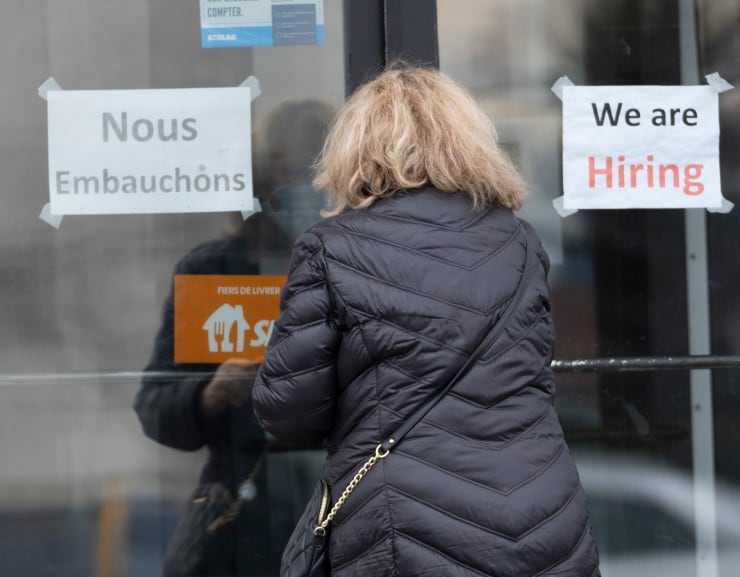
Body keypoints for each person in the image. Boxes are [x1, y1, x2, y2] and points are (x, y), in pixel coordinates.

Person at [252, 65, 601, 577]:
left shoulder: (331, 248)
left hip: (412, 526)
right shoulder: (519, 242)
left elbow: (288, 410)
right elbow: (532, 378)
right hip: (542, 511)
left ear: (356, 147)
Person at [134, 99, 336, 576]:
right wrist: (210, 394)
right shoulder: (215, 269)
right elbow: (154, 406)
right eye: (286, 191)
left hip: (349, 496)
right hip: (250, 508)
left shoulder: (367, 265)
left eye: (318, 189)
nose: (304, 205)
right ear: (260, 190)